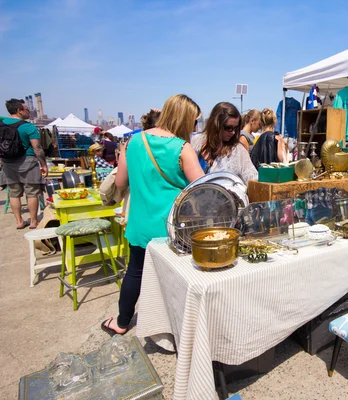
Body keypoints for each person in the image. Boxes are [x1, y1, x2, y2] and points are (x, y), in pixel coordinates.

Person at [101, 94, 204, 336]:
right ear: (185, 118)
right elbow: (201, 188)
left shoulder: (133, 142)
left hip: (140, 224)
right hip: (173, 227)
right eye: (194, 121)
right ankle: (177, 328)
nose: (195, 127)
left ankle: (121, 323)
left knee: (134, 272)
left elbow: (120, 181)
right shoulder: (182, 148)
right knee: (177, 277)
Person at [0, 99, 47, 229]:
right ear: (19, 111)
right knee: (32, 192)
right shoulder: (28, 126)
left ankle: (19, 222)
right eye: (26, 109)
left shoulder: (1, 125)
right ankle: (33, 221)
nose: (28, 112)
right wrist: (43, 164)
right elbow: (37, 148)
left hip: (8, 163)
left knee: (14, 193)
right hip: (28, 162)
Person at [191, 101, 258, 184]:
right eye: (228, 128)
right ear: (215, 125)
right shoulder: (196, 142)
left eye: (236, 128)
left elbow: (253, 179)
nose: (233, 132)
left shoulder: (238, 150)